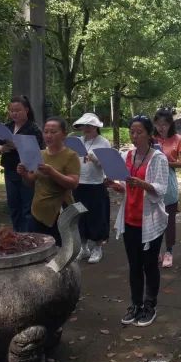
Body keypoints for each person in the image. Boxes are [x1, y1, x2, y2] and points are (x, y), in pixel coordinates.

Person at [108, 116, 169, 327]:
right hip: (129, 218)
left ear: (149, 134)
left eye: (139, 132)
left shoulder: (158, 158)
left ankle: (150, 305)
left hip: (149, 220)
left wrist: (143, 184)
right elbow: (126, 187)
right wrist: (116, 186)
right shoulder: (127, 155)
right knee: (134, 265)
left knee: (149, 265)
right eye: (132, 132)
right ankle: (135, 304)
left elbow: (161, 189)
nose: (134, 136)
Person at [22, 116, 80, 246]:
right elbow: (31, 182)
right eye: (46, 132)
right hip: (37, 210)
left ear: (64, 134)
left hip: (59, 212)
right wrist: (24, 174)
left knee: (58, 250)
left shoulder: (71, 155)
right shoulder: (40, 154)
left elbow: (73, 183)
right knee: (38, 247)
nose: (49, 135)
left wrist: (52, 172)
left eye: (53, 132)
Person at [0, 96, 45, 233]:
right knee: (13, 205)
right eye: (12, 111)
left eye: (18, 110)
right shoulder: (7, 127)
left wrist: (19, 146)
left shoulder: (33, 128)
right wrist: (4, 148)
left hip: (28, 171)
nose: (14, 113)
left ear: (26, 110)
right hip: (10, 170)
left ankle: (27, 235)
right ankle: (17, 234)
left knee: (27, 206)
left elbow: (39, 151)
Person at [73, 112, 112, 263]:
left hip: (96, 184)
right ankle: (83, 247)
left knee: (97, 217)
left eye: (90, 125)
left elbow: (108, 164)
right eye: (85, 125)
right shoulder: (78, 141)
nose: (87, 128)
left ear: (96, 127)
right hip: (79, 183)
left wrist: (95, 158)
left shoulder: (103, 142)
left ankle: (97, 248)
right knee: (80, 216)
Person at [153, 108, 181, 268]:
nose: (161, 127)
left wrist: (166, 162)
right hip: (153, 179)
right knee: (154, 217)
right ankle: (156, 249)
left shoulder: (178, 139)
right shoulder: (152, 139)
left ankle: (169, 251)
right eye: (158, 124)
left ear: (170, 124)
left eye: (165, 124)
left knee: (169, 218)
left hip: (169, 180)